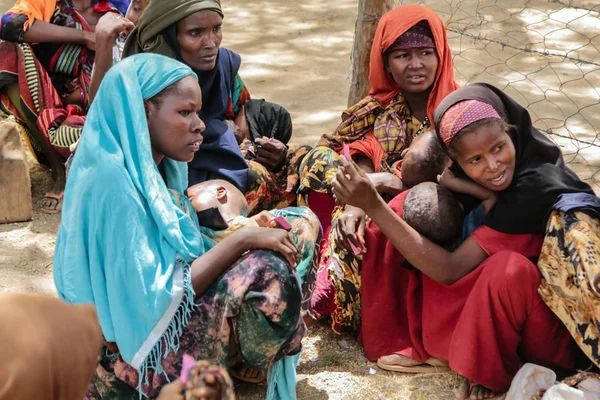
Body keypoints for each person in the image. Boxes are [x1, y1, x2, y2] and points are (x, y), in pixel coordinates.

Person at [53, 53, 320, 398]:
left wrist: (245, 228)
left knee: (297, 225)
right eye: (184, 113)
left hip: (164, 313)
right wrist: (244, 240)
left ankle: (239, 363)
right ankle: (221, 368)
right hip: (129, 355)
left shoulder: (157, 165)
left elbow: (180, 247)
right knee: (266, 269)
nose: (200, 125)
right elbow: (158, 295)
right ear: (143, 111)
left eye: (197, 111)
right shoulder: (109, 181)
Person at [331, 83, 595, 399]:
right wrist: (369, 196)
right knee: (407, 208)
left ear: (511, 130)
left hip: (556, 336)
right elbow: (415, 176)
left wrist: (372, 203)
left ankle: (488, 374)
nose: (493, 166)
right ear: (456, 160)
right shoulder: (470, 172)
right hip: (505, 310)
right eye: (475, 160)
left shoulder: (536, 185)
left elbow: (451, 270)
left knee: (507, 269)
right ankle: (415, 339)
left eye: (499, 148)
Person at [298, 5, 459, 319]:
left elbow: (463, 179)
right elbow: (353, 151)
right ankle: (327, 272)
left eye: (426, 52)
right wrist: (359, 198)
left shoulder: (458, 111)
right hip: (369, 202)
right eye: (402, 56)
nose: (416, 65)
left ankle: (349, 293)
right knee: (317, 161)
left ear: (441, 54)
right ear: (385, 61)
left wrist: (387, 184)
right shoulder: (377, 109)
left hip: (426, 217)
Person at [122, 0, 311, 215]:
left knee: (308, 159)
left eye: (216, 29)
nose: (211, 42)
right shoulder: (148, 85)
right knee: (254, 178)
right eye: (195, 33)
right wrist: (219, 130)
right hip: (177, 181)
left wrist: (273, 153)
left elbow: (247, 116)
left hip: (227, 168)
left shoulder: (223, 68)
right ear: (169, 37)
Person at [0, 0, 131, 213]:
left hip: (99, 115)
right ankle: (59, 171)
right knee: (7, 52)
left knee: (93, 129)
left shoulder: (121, 7)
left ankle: (93, 175)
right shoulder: (48, 4)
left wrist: (82, 94)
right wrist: (86, 37)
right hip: (48, 112)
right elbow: (9, 25)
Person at [312, 129, 450, 331]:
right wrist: (355, 203)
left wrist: (389, 185)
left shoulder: (449, 124)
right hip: (368, 195)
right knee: (317, 160)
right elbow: (365, 149)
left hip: (393, 216)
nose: (403, 153)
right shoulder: (383, 112)